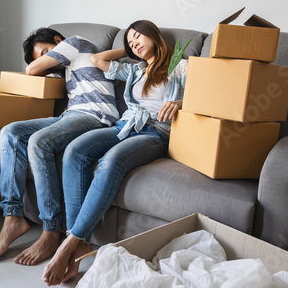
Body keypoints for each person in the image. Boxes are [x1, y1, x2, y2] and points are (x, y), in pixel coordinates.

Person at [42, 20, 189, 285]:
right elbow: (97, 59)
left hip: (155, 132)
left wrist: (179, 102)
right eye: (130, 41)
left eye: (138, 37)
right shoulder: (135, 69)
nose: (134, 43)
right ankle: (83, 243)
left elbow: (209, 96)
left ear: (154, 35)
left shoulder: (181, 65)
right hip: (125, 124)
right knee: (75, 151)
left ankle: (70, 242)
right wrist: (128, 50)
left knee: (111, 161)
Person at [0, 28, 119, 266]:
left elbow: (30, 70)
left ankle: (50, 230)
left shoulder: (75, 43)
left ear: (58, 41)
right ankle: (12, 216)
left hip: (97, 115)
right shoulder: (67, 68)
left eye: (46, 52)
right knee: (11, 132)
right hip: (71, 115)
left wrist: (42, 64)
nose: (47, 60)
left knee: (39, 142)